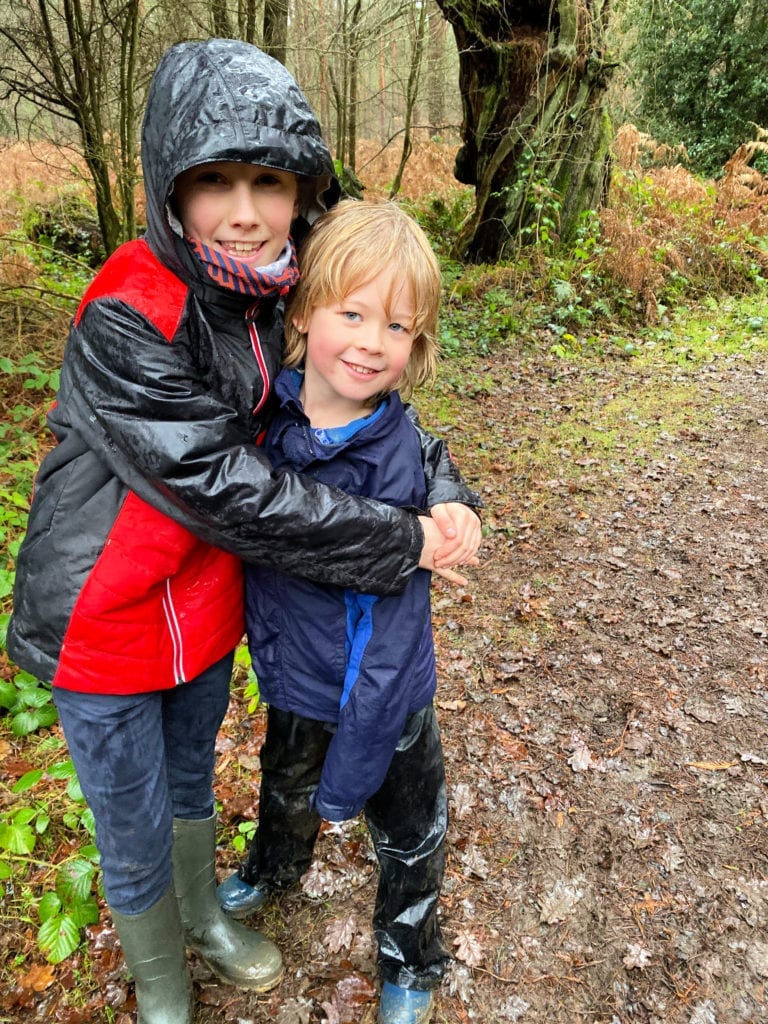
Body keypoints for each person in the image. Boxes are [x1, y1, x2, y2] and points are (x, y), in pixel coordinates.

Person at [6, 40, 481, 1024]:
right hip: (107, 614)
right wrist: (404, 543)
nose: (244, 208)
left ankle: (206, 921)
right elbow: (228, 486)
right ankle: (163, 986)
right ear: (168, 186)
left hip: (206, 609)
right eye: (213, 179)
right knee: (131, 815)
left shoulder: (277, 297)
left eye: (268, 179)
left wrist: (446, 490)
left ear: (302, 186)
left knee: (188, 786)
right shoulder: (132, 311)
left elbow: (372, 425)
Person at [216, 199, 480, 1024]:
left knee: (410, 826)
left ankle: (410, 953)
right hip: (296, 675)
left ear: (417, 345)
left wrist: (453, 502)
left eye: (398, 327)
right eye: (353, 313)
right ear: (301, 311)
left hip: (387, 694)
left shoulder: (401, 451)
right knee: (284, 786)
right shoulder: (265, 417)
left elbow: (431, 455)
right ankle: (275, 865)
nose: (371, 342)